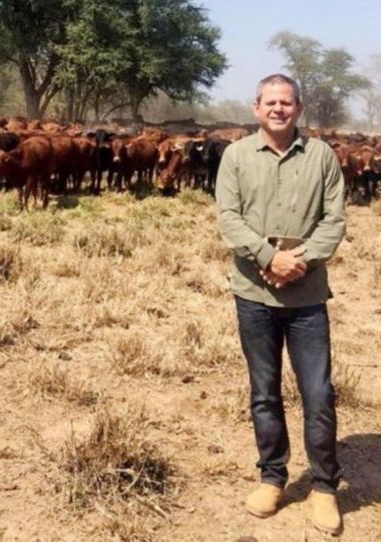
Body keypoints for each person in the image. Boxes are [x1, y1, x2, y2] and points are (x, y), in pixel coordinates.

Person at [215, 73, 345, 535]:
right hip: (254, 294)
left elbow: (334, 221)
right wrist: (269, 257)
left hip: (307, 297)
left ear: (298, 109)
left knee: (319, 393)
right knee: (264, 393)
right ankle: (273, 477)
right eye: (270, 102)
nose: (278, 109)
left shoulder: (323, 156)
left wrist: (299, 262)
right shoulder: (235, 156)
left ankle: (326, 486)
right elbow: (228, 218)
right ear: (256, 108)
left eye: (286, 102)